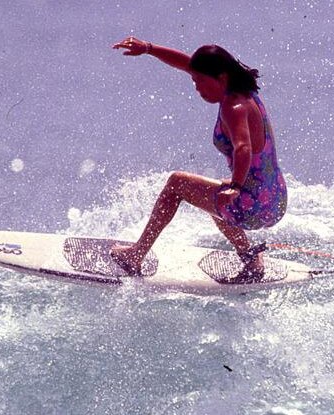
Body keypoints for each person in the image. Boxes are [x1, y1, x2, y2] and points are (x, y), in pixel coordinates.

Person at [110, 36, 287, 283]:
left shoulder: (233, 107)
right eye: (194, 80)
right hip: (275, 200)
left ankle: (135, 255)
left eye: (200, 81)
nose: (196, 88)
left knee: (177, 184)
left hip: (252, 207)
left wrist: (236, 187)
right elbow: (187, 64)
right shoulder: (245, 92)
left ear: (221, 78)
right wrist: (149, 49)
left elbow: (243, 148)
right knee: (214, 192)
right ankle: (250, 258)